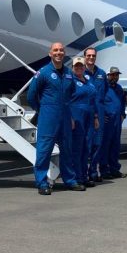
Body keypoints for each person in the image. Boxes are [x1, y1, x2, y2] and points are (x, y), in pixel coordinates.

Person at [28, 42, 83, 195]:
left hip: (65, 116)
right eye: (55, 50)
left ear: (64, 54)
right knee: (44, 151)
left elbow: (71, 93)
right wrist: (42, 110)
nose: (59, 52)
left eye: (61, 50)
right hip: (48, 117)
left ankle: (70, 181)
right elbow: (31, 95)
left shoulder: (68, 73)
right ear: (50, 54)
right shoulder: (43, 73)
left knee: (67, 150)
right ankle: (41, 182)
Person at [68, 57, 100, 187]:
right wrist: (70, 117)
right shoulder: (70, 82)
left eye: (81, 66)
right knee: (77, 148)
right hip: (77, 116)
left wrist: (96, 117)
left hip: (89, 116)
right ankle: (77, 177)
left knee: (87, 147)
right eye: (76, 66)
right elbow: (66, 101)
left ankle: (84, 175)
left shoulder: (88, 82)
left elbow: (93, 101)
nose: (79, 68)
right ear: (73, 68)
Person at [83, 47, 109, 182]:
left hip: (99, 110)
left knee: (97, 144)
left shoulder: (101, 74)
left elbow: (104, 92)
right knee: (85, 144)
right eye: (89, 56)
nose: (91, 58)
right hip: (86, 113)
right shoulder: (80, 72)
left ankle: (93, 171)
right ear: (84, 57)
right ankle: (83, 173)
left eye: (93, 56)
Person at [99, 66, 127, 178]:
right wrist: (101, 115)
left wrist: (123, 115)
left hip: (117, 122)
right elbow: (98, 102)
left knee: (115, 145)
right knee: (105, 146)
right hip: (107, 122)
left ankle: (114, 169)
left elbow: (123, 102)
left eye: (116, 75)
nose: (115, 77)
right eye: (112, 75)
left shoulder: (119, 88)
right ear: (108, 75)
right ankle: (104, 171)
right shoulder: (103, 88)